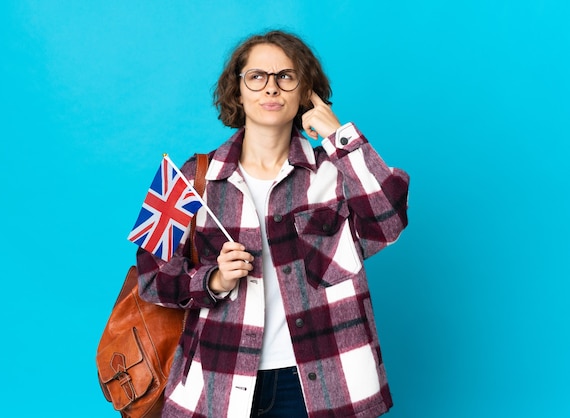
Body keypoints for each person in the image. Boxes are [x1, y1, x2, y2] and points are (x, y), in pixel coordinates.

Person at [137, 30, 409, 418]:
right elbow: (151, 277)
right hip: (220, 383)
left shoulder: (335, 172)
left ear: (305, 92)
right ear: (239, 90)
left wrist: (339, 137)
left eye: (286, 76)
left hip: (326, 383)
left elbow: (389, 219)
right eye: (257, 77)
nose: (271, 88)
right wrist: (213, 281)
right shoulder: (191, 178)